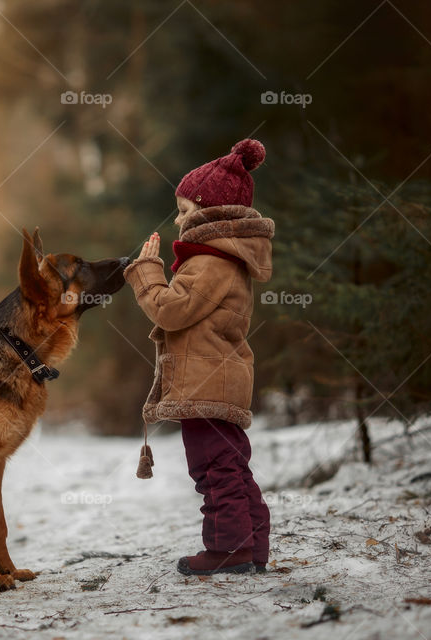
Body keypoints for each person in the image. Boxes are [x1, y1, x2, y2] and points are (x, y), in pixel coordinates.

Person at [123, 139, 275, 575]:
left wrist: (147, 274)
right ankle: (251, 547)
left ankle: (229, 549)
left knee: (213, 470)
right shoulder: (224, 260)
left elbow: (171, 311)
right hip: (217, 378)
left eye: (186, 210)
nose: (178, 219)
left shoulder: (211, 262)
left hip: (207, 382)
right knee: (232, 467)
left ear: (211, 213)